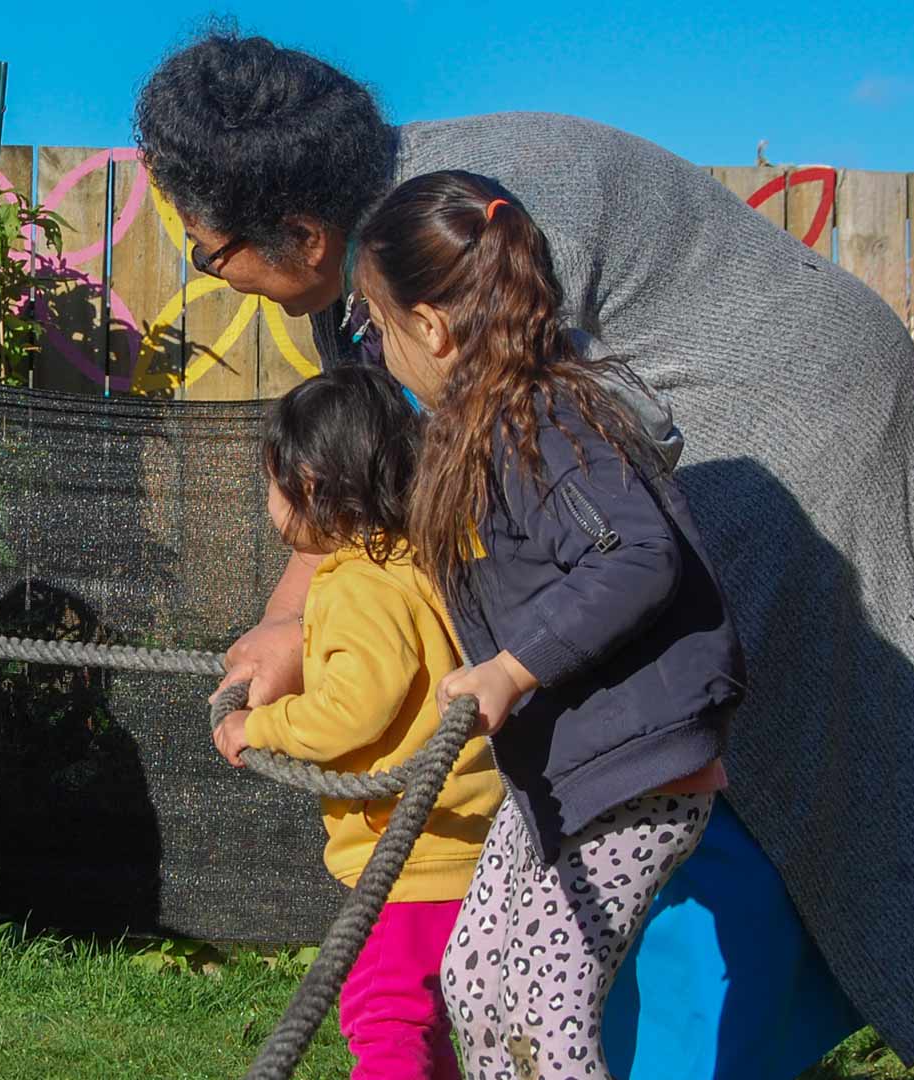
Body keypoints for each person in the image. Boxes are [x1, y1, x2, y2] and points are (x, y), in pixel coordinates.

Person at [135, 29, 914, 1076]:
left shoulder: (456, 245)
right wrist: (290, 616)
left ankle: (690, 1050)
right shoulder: (373, 277)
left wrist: (514, 663)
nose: (213, 274)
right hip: (644, 455)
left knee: (704, 746)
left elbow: (625, 546)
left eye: (205, 250)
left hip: (787, 410)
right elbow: (377, 452)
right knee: (566, 837)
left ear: (306, 234)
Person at [354, 170, 742, 1078]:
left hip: (632, 770)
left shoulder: (545, 414)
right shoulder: (481, 427)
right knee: (476, 976)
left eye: (374, 325)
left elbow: (636, 554)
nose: (372, 348)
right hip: (560, 772)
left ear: (431, 327)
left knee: (544, 1002)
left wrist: (510, 669)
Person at [212, 364, 502, 1079]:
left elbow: (354, 707)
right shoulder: (430, 555)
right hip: (473, 839)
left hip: (415, 854)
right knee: (437, 1014)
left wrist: (263, 726)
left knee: (385, 1012)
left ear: (309, 484)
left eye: (272, 482)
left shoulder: (355, 583)